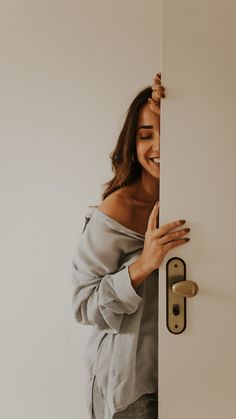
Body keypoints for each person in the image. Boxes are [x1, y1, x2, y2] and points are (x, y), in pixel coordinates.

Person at [71, 73, 191, 419]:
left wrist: (187, 95)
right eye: (146, 135)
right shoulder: (117, 209)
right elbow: (83, 305)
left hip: (193, 369)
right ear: (131, 143)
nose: (159, 147)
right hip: (134, 385)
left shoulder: (200, 201)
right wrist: (143, 265)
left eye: (170, 133)